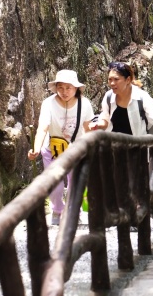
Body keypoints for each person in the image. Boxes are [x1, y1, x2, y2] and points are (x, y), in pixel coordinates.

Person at [28, 70, 95, 225]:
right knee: (55, 184)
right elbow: (43, 127)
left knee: (76, 182)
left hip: (76, 148)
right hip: (52, 148)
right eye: (60, 87)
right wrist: (36, 148)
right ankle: (57, 210)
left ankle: (73, 211)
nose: (64, 92)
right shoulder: (48, 103)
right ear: (56, 87)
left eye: (68, 88)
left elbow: (88, 128)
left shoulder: (84, 104)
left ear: (76, 88)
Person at [89, 62, 153, 136]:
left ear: (128, 80)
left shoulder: (141, 97)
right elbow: (105, 121)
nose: (112, 83)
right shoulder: (109, 96)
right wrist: (97, 125)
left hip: (138, 146)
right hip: (114, 146)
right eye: (110, 79)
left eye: (116, 79)